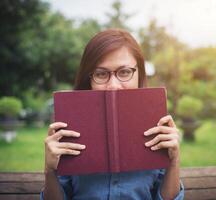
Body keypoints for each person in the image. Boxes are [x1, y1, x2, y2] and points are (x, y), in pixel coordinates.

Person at [41, 29, 184, 200]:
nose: (113, 85)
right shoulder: (70, 126)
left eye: (124, 72)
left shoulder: (157, 125)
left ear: (139, 74)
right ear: (89, 79)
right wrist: (50, 171)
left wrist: (174, 161)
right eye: (101, 74)